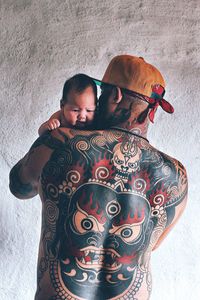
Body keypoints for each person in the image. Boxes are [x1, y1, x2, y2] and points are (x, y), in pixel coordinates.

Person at [9, 55, 188, 300]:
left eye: (101, 93)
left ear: (115, 95)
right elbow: (151, 243)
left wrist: (53, 127)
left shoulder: (59, 143)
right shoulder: (175, 175)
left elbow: (19, 186)